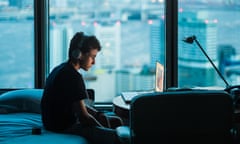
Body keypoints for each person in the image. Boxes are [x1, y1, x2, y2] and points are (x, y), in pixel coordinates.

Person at [41, 32, 121, 144]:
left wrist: (98, 114)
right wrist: (103, 130)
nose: (94, 62)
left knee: (116, 121)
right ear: (79, 54)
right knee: (116, 137)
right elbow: (83, 117)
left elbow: (78, 105)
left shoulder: (60, 69)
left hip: (51, 123)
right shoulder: (73, 77)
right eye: (92, 57)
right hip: (63, 127)